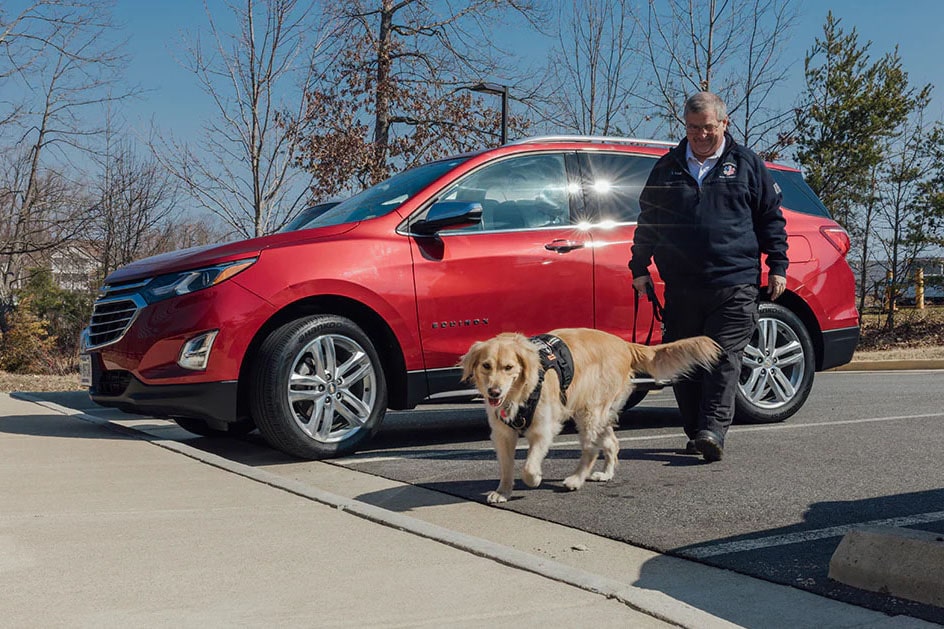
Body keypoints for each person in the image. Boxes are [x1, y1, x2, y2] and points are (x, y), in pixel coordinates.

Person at [628, 91, 788, 462]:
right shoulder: (667, 168)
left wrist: (778, 265)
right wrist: (639, 267)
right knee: (685, 359)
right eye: (692, 128)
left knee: (723, 357)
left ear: (724, 124)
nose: (700, 135)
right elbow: (649, 221)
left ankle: (713, 430)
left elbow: (771, 219)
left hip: (735, 281)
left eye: (707, 128)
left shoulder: (747, 164)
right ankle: (695, 429)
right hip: (683, 285)